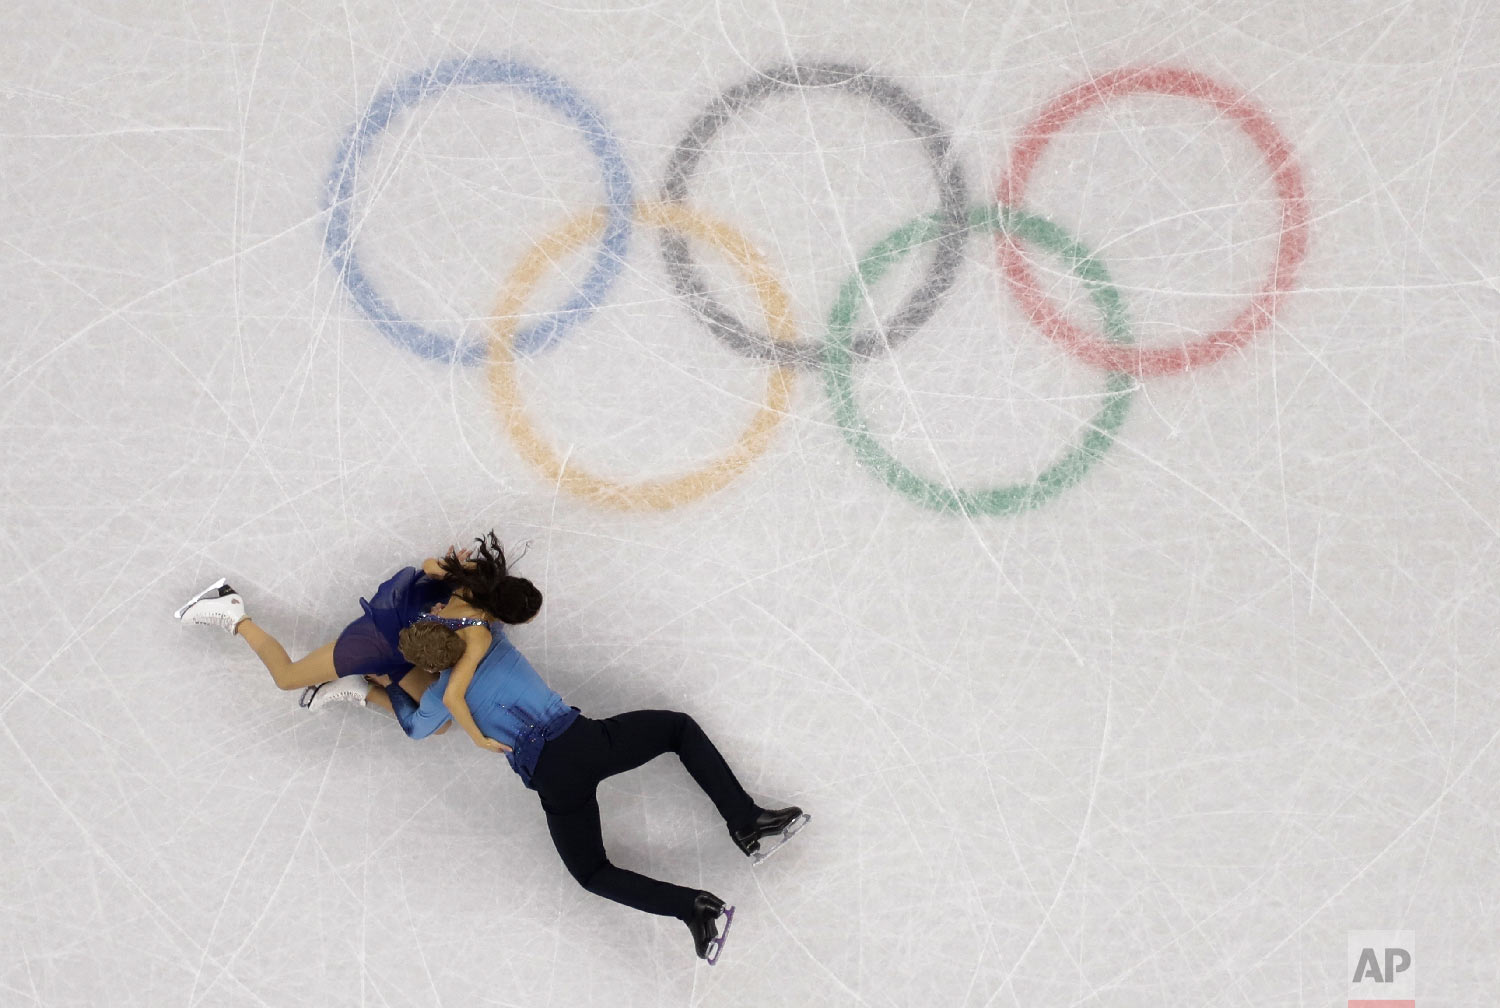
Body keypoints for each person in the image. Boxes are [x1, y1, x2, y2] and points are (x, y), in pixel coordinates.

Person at [173, 533, 808, 962]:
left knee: (590, 868)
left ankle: (694, 906)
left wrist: (466, 723)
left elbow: (446, 688)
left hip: (550, 772)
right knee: (674, 729)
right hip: (582, 741)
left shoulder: (457, 641)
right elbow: (448, 684)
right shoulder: (481, 635)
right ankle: (745, 827)